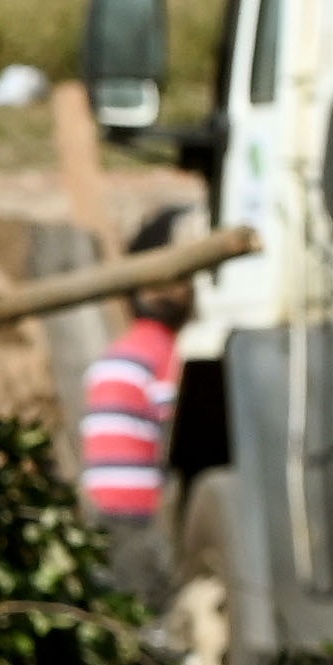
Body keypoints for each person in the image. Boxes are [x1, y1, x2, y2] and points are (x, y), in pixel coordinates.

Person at [77, 202, 196, 601]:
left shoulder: (120, 352)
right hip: (142, 512)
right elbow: (173, 428)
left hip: (104, 508)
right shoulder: (166, 356)